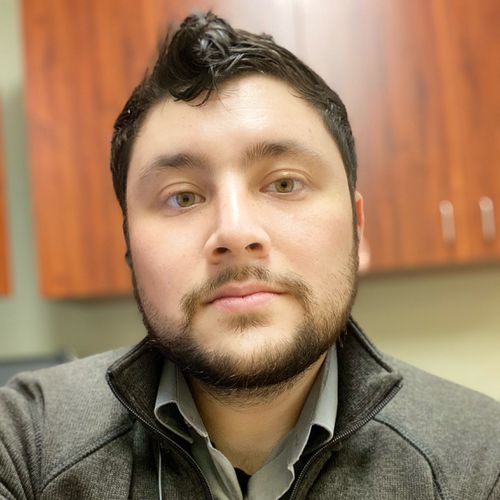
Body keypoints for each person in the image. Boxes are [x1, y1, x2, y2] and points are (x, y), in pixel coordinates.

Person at [1, 11, 499, 500]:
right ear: (129, 245)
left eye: (284, 184)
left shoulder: (481, 461)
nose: (235, 232)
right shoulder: (26, 441)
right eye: (183, 197)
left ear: (357, 228)